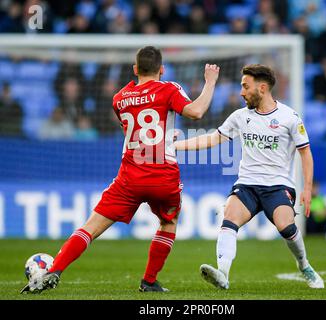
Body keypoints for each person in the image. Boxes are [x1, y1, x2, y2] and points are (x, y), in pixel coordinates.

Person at [21, 46, 220, 294]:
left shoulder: (120, 98)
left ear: (135, 69)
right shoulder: (169, 88)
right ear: (162, 69)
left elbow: (134, 131)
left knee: (90, 228)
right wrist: (210, 83)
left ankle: (54, 271)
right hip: (162, 175)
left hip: (130, 176)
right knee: (168, 222)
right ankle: (148, 282)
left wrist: (164, 135)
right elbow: (197, 112)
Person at [175, 64, 324, 289]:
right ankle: (222, 274)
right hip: (247, 184)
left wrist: (307, 189)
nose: (242, 92)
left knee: (286, 226)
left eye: (246, 86)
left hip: (278, 185)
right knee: (230, 217)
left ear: (262, 88)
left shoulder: (289, 118)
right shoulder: (240, 117)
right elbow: (212, 139)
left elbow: (306, 153)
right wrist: (176, 145)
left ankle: (304, 265)